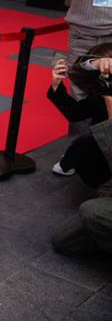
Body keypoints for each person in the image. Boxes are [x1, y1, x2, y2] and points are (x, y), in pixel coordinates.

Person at [50, 0, 112, 174]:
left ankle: (104, 151)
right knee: (79, 91)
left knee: (107, 94)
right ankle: (75, 153)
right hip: (83, 34)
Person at [50, 50, 112, 256]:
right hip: (100, 157)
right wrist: (57, 85)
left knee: (91, 212)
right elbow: (75, 112)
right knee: (62, 240)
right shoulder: (102, 94)